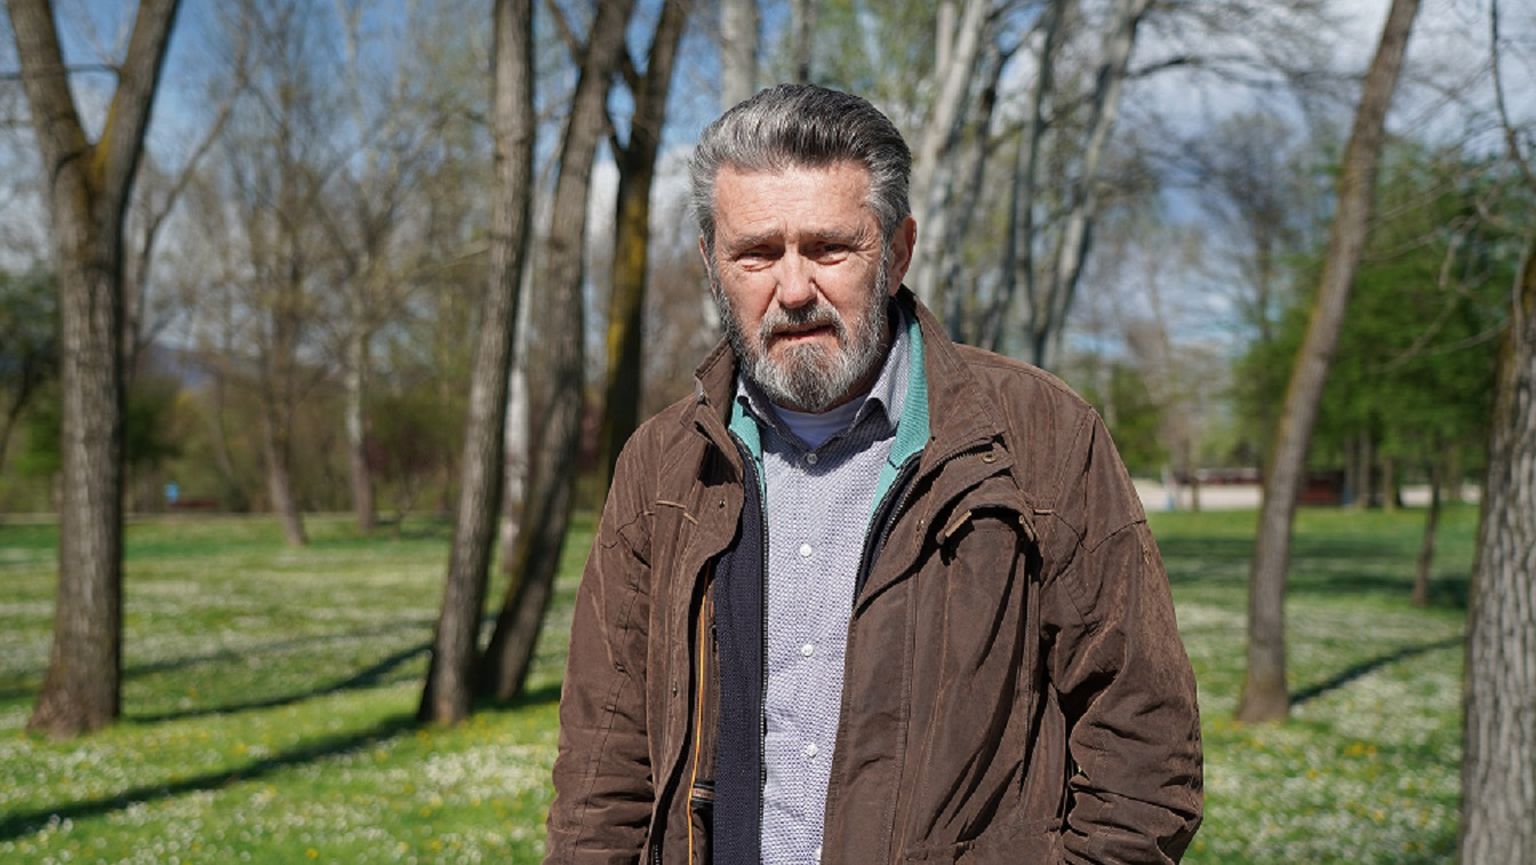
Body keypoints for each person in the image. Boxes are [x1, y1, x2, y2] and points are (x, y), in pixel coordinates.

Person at [544, 84, 1202, 865]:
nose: (793, 290)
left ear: (897, 252)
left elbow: (1144, 746)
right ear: (712, 266)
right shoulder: (662, 465)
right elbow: (603, 770)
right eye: (757, 254)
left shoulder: (1041, 439)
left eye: (829, 249)